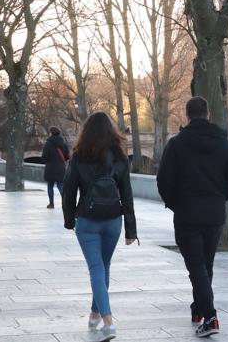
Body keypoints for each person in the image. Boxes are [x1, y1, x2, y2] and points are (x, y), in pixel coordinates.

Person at [157, 96, 228, 338]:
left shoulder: (177, 144)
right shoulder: (224, 144)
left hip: (187, 214)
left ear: (187, 115)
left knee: (196, 266)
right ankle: (198, 309)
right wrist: (217, 198)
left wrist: (175, 204)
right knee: (206, 264)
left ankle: (210, 316)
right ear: (208, 114)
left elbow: (164, 180)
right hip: (214, 214)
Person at [62, 112, 138, 342]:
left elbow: (68, 191)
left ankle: (108, 322)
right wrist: (130, 230)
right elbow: (127, 194)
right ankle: (95, 313)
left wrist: (69, 220)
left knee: (97, 268)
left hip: (87, 221)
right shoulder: (120, 158)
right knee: (103, 267)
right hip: (113, 221)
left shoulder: (78, 157)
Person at [41, 126, 69, 209]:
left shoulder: (48, 143)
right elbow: (67, 156)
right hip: (61, 168)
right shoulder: (64, 143)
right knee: (61, 186)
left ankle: (51, 204)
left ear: (51, 133)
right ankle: (65, 203)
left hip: (50, 168)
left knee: (50, 186)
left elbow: (44, 157)